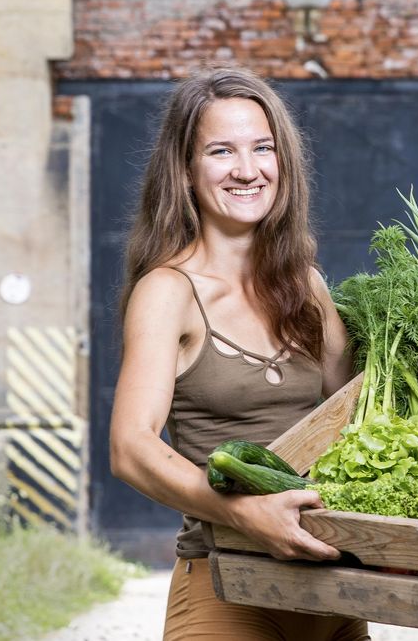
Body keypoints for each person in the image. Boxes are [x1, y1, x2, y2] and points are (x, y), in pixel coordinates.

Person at [108, 66, 369, 641]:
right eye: (222, 151)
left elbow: (355, 413)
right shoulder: (168, 292)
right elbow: (130, 448)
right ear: (185, 169)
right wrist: (240, 511)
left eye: (263, 149)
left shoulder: (306, 285)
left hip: (335, 592)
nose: (248, 170)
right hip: (225, 587)